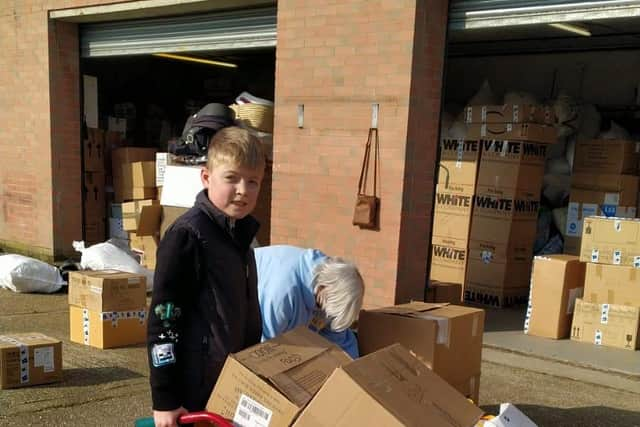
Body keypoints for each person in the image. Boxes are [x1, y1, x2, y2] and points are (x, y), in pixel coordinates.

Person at [147, 127, 265, 427]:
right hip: (192, 393)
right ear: (206, 177)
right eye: (232, 178)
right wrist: (165, 399)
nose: (243, 190)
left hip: (228, 387)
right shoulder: (188, 237)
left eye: (253, 182)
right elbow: (164, 322)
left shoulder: (241, 237)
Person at [254, 245, 364, 358]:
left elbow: (341, 343)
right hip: (245, 309)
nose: (326, 316)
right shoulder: (281, 294)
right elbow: (264, 348)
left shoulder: (334, 295)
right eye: (324, 308)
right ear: (321, 288)